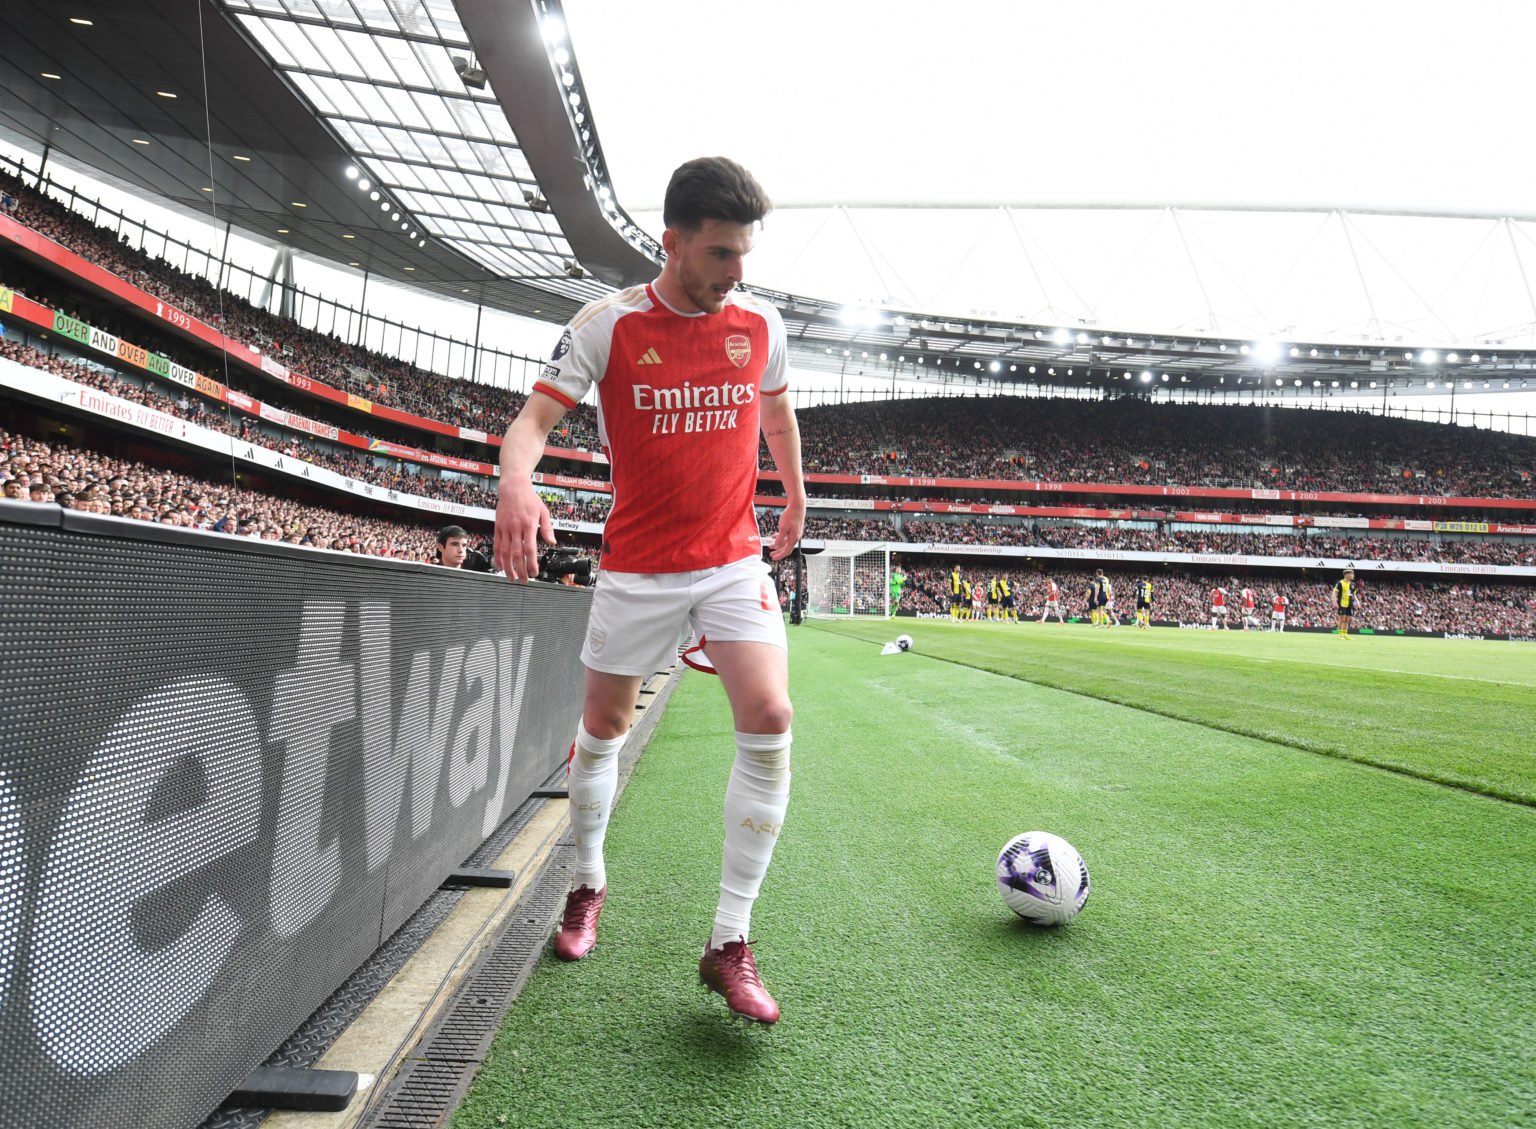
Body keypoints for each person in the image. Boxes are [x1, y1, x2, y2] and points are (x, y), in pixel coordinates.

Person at [492, 157, 804, 1025]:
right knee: (604, 729)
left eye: (743, 253)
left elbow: (775, 413)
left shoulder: (761, 322)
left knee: (771, 716)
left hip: (733, 557)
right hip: (638, 565)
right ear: (672, 242)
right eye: (719, 253)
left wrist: (796, 488)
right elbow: (532, 421)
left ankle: (729, 940)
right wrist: (518, 483)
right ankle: (586, 881)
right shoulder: (609, 324)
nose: (736, 271)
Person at [1334, 568, 1359, 638]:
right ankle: (1340, 634)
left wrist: (1357, 601)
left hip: (1349, 604)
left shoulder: (1353, 584)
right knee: (1342, 619)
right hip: (1342, 603)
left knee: (1347, 620)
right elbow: (1335, 593)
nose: (1353, 575)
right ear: (1347, 575)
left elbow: (1354, 595)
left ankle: (1345, 635)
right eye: (1352, 574)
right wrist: (1334, 602)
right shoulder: (1340, 583)